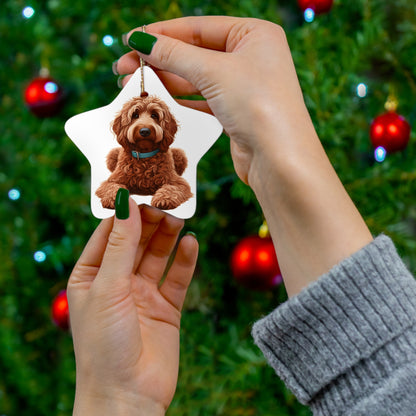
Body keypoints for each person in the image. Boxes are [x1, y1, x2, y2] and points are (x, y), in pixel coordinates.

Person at [67, 16, 416, 416]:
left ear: (166, 127)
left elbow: (176, 187)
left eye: (154, 119)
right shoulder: (121, 159)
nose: (144, 126)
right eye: (136, 119)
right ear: (122, 125)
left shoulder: (169, 161)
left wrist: (113, 401)